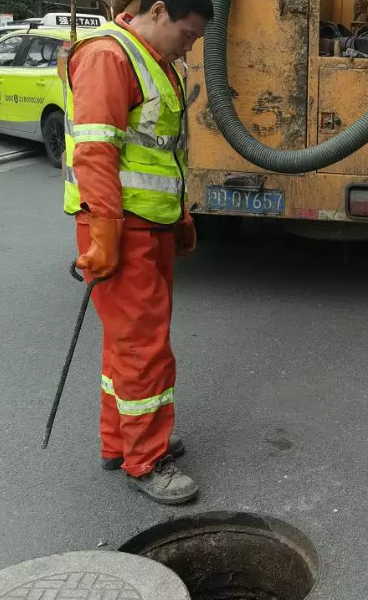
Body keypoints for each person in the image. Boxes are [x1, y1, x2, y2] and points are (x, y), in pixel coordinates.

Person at [63, 0, 212, 504]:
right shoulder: (111, 56)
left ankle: (119, 443)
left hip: (149, 226)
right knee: (143, 348)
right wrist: (104, 230)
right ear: (158, 9)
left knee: (126, 345)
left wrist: (182, 215)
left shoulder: (154, 60)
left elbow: (162, 153)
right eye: (188, 34)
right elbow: (95, 149)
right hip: (122, 228)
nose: (190, 45)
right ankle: (145, 460)